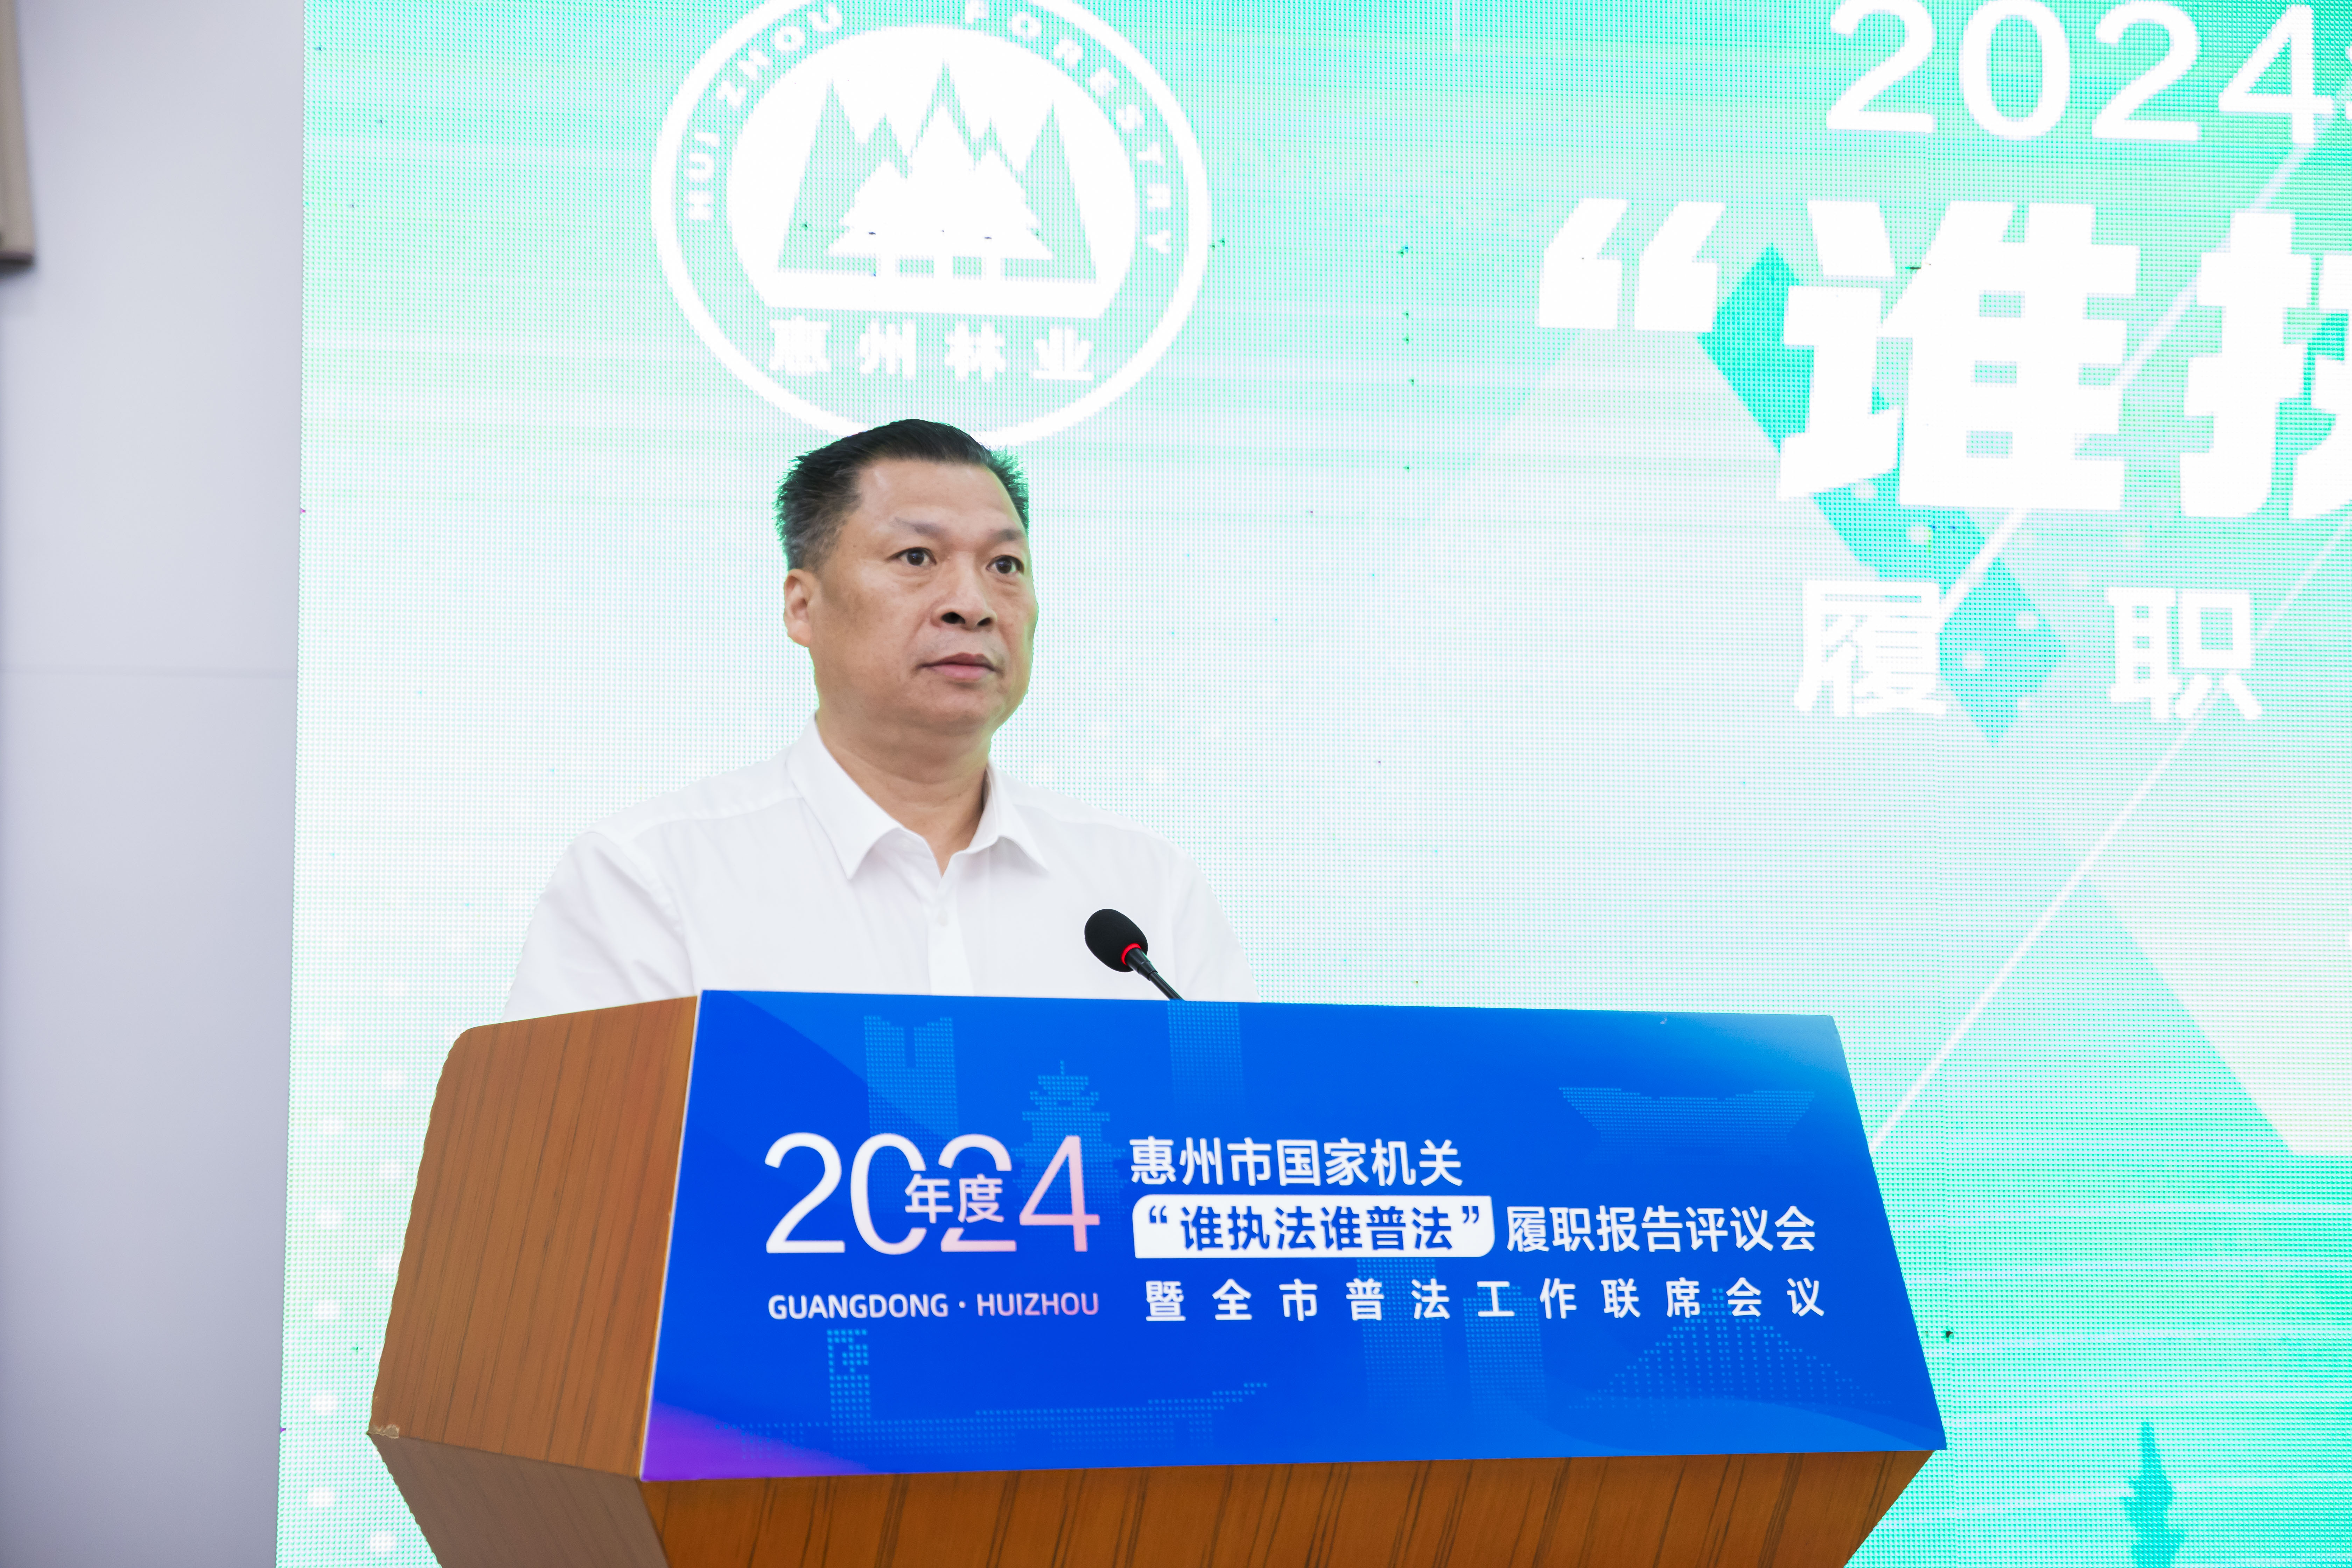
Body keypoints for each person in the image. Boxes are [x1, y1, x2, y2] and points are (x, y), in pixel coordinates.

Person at [504, 419, 1256, 1019]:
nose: (973, 604)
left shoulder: (1145, 890)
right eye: (917, 557)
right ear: (803, 606)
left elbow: (1241, 1139)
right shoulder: (650, 879)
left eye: (1004, 566)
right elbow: (563, 1158)